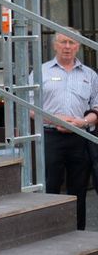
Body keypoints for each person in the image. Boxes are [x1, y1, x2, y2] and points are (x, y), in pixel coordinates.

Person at [36, 30, 98, 230]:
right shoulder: (41, 71)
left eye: (71, 42)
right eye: (63, 42)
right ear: (55, 45)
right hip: (50, 136)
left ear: (78, 46)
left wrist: (84, 122)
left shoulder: (90, 75)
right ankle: (49, 232)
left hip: (80, 137)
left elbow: (97, 106)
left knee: (78, 189)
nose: (67, 47)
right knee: (50, 186)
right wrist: (54, 119)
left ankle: (78, 231)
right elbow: (28, 106)